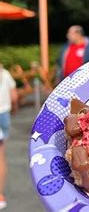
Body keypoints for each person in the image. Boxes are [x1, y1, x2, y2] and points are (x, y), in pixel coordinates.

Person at [0, 64, 18, 210]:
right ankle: (0, 194)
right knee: (1, 153)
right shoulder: (4, 73)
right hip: (4, 112)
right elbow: (14, 95)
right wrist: (15, 107)